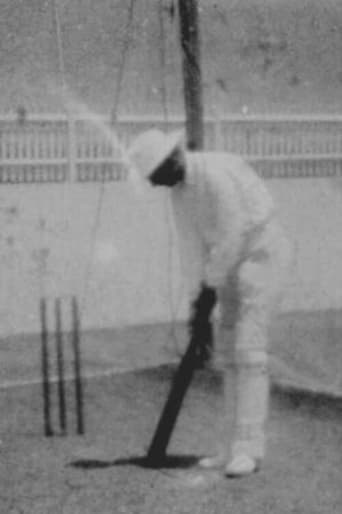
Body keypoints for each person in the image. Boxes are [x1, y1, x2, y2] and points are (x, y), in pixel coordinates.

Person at [128, 129, 291, 478]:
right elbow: (191, 250)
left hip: (260, 256)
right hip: (229, 264)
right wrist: (195, 307)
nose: (156, 185)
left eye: (156, 176)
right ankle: (229, 448)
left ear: (171, 159)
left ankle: (250, 450)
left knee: (249, 354)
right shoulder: (179, 194)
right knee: (229, 356)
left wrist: (208, 293)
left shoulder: (216, 173)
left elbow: (235, 233)